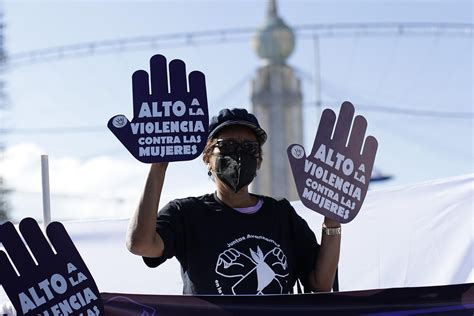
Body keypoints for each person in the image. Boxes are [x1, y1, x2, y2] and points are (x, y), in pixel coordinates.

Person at [126, 108, 341, 295]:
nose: (239, 154)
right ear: (207, 158)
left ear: (259, 160)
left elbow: (321, 284)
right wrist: (158, 165)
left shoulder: (281, 214)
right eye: (227, 146)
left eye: (249, 148)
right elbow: (141, 244)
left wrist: (332, 221)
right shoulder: (186, 213)